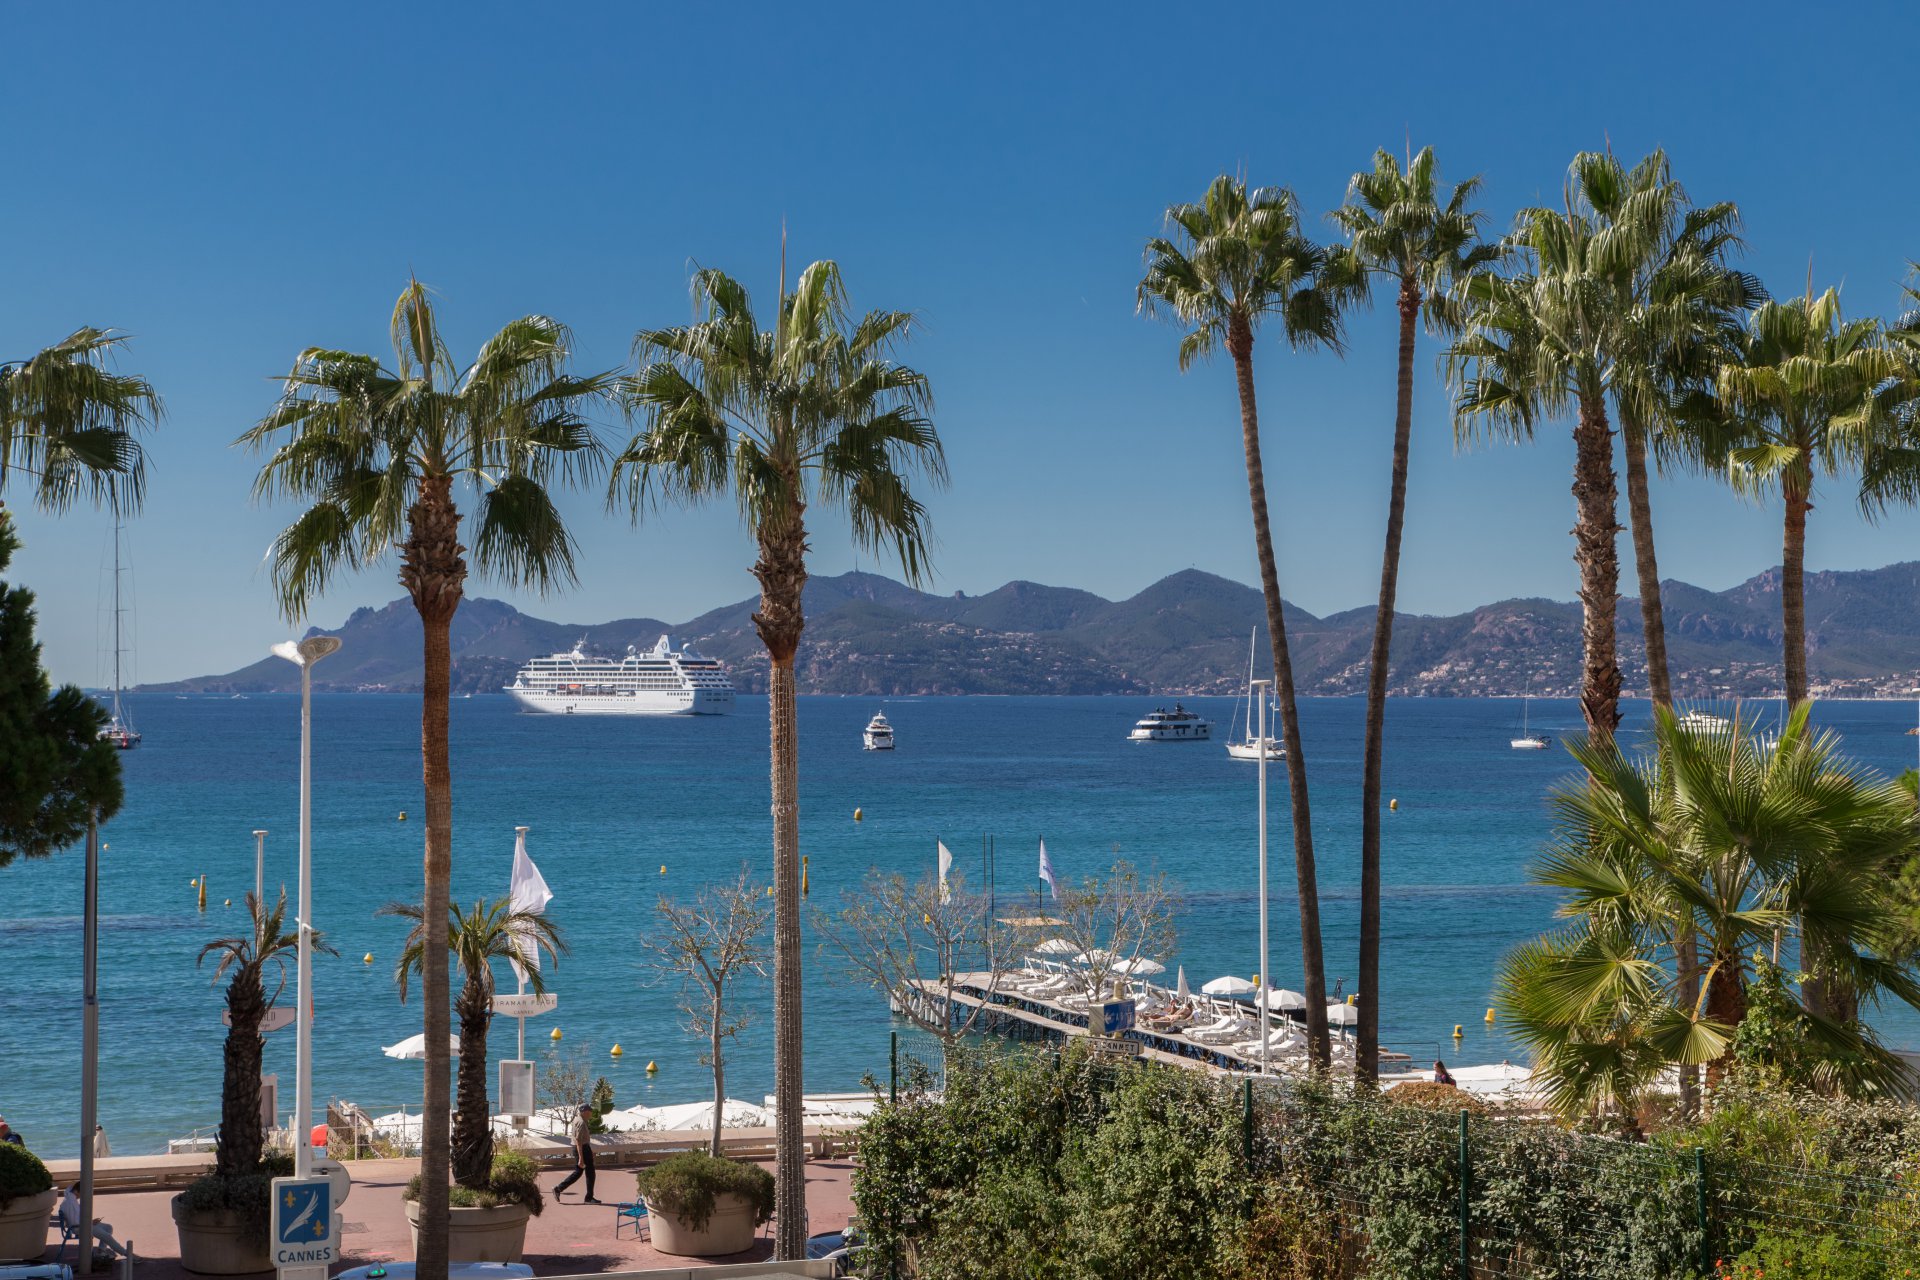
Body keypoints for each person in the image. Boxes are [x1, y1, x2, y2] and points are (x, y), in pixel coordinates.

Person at [60, 1184, 130, 1263]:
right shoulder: (70, 1203)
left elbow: (77, 1219)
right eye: (81, 1193)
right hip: (79, 1227)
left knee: (108, 1227)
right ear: (76, 1191)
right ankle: (126, 1253)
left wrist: (91, 1222)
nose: (82, 1196)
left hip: (83, 1225)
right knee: (106, 1236)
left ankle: (101, 1252)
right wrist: (91, 1222)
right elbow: (75, 1223)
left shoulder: (71, 1199)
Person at [553, 1102, 599, 1203]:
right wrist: (581, 1158)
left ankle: (560, 1189)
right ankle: (559, 1189)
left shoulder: (579, 1119)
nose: (591, 1113)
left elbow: (581, 1139)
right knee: (586, 1172)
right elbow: (578, 1141)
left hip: (584, 1148)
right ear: (584, 1112)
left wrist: (589, 1150)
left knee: (584, 1172)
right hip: (582, 1148)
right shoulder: (581, 1122)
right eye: (589, 1111)